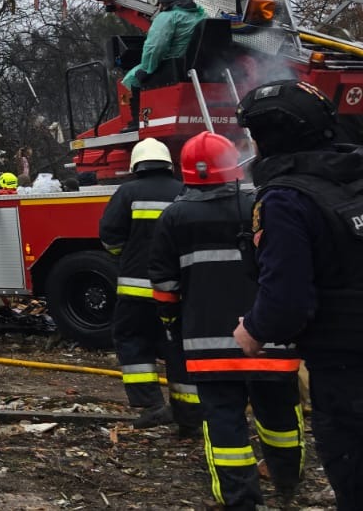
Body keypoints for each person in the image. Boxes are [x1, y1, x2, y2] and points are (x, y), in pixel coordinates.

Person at [152, 131, 303, 509]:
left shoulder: (173, 217)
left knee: (223, 421)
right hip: (269, 335)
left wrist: (172, 322)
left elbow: (165, 283)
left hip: (207, 345)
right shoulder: (263, 205)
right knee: (280, 414)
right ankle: (286, 480)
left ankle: (240, 499)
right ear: (234, 168)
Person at [233, 79, 363, 509]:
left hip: (345, 368)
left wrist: (252, 330)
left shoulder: (286, 199)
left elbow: (286, 299)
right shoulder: (354, 178)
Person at [98, 137, 194, 429]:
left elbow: (110, 237)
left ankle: (151, 405)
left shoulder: (127, 193)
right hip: (177, 291)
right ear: (168, 163)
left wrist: (127, 256)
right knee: (178, 346)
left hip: (135, 291)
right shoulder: (185, 191)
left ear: (136, 164)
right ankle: (187, 412)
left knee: (132, 341)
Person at [122, 0, 207, 131]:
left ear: (165, 1)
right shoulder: (201, 15)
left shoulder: (168, 17)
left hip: (173, 64)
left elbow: (155, 47)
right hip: (197, 66)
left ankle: (138, 122)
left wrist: (147, 68)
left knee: (132, 78)